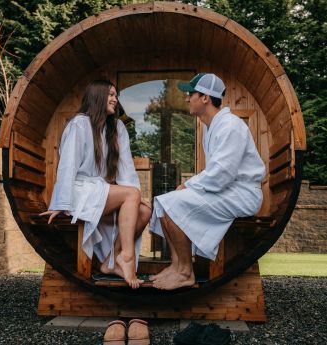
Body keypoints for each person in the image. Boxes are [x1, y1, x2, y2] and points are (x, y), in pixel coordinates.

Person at [149, 73, 266, 290]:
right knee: (163, 202)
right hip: (227, 190)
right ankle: (177, 266)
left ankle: (185, 272)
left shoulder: (230, 126)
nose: (186, 98)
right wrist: (188, 186)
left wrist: (188, 185)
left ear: (205, 97)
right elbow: (216, 173)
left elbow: (221, 174)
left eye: (190, 94)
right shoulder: (209, 126)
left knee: (173, 203)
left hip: (242, 194)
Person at [40, 80, 151, 289]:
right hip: (79, 190)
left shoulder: (117, 128)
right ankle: (127, 258)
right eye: (110, 94)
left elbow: (126, 167)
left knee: (144, 211)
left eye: (116, 95)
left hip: (97, 191)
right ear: (97, 96)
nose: (115, 99)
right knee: (131, 196)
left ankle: (110, 261)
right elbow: (67, 166)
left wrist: (135, 195)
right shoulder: (79, 124)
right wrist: (59, 203)